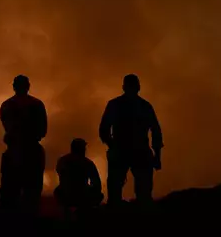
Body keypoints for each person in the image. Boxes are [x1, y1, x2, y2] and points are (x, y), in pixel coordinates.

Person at [99, 74, 163, 205]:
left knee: (116, 192)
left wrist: (113, 146)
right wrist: (157, 156)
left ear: (123, 87)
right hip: (138, 152)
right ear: (138, 87)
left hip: (124, 152)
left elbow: (103, 130)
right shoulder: (145, 106)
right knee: (143, 194)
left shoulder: (115, 105)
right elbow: (156, 132)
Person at [0, 75, 48, 212]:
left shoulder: (7, 105)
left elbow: (6, 125)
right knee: (31, 192)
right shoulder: (37, 104)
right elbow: (43, 130)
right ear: (28, 86)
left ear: (14, 87)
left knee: (10, 192)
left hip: (14, 150)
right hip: (31, 151)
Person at [54, 138, 103, 212]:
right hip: (83, 195)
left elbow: (59, 172)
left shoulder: (62, 160)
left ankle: (66, 211)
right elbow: (97, 183)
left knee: (57, 191)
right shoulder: (88, 163)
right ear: (82, 149)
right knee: (100, 195)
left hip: (66, 195)